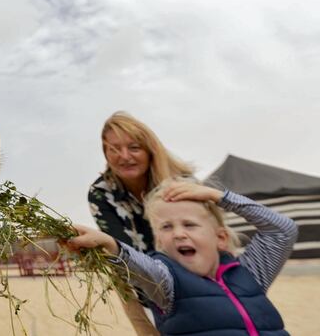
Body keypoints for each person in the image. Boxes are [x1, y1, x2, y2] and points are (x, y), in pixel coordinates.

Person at [70, 179, 298, 335]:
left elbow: (282, 230)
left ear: (220, 238)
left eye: (189, 224)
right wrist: (111, 245)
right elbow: (140, 267)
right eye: (166, 227)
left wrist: (218, 196)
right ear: (160, 243)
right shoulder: (167, 284)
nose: (179, 233)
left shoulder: (250, 272)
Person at [88, 112, 194, 335]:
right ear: (105, 153)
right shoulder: (101, 193)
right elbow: (122, 251)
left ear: (149, 150)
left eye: (134, 147)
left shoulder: (181, 183)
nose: (124, 156)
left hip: (192, 279)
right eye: (114, 149)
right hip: (135, 281)